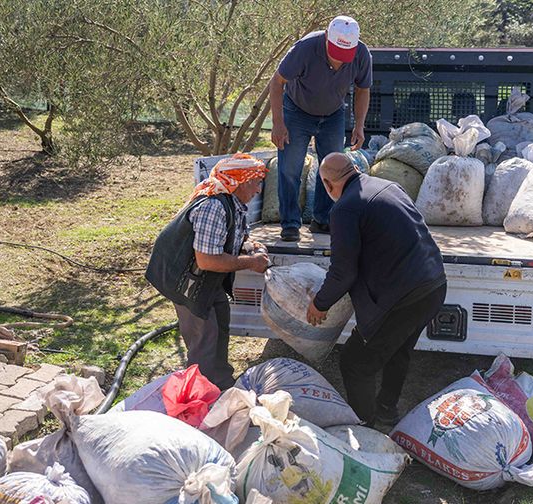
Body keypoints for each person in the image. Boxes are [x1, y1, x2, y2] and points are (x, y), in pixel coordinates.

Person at [306, 152, 447, 426]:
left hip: (404, 297)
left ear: (327, 184)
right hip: (433, 285)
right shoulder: (387, 186)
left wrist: (319, 304)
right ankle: (386, 409)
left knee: (354, 362)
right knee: (398, 350)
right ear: (355, 169)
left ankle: (364, 426)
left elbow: (343, 272)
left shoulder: (345, 208)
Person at [146, 153, 270, 390]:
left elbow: (235, 236)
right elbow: (207, 260)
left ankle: (221, 385)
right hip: (186, 280)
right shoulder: (214, 206)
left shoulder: (233, 204)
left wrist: (251, 246)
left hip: (205, 279)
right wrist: (251, 262)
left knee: (220, 323)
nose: (258, 189)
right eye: (256, 182)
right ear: (241, 182)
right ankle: (199, 398)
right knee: (204, 340)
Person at [268, 15, 372, 242]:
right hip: (296, 111)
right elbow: (276, 82)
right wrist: (278, 123)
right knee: (290, 168)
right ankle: (290, 224)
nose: (339, 62)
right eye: (336, 53)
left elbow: (363, 89)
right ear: (326, 37)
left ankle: (322, 219)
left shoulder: (362, 54)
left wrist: (359, 125)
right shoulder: (304, 49)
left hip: (334, 113)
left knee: (334, 168)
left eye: (345, 56)